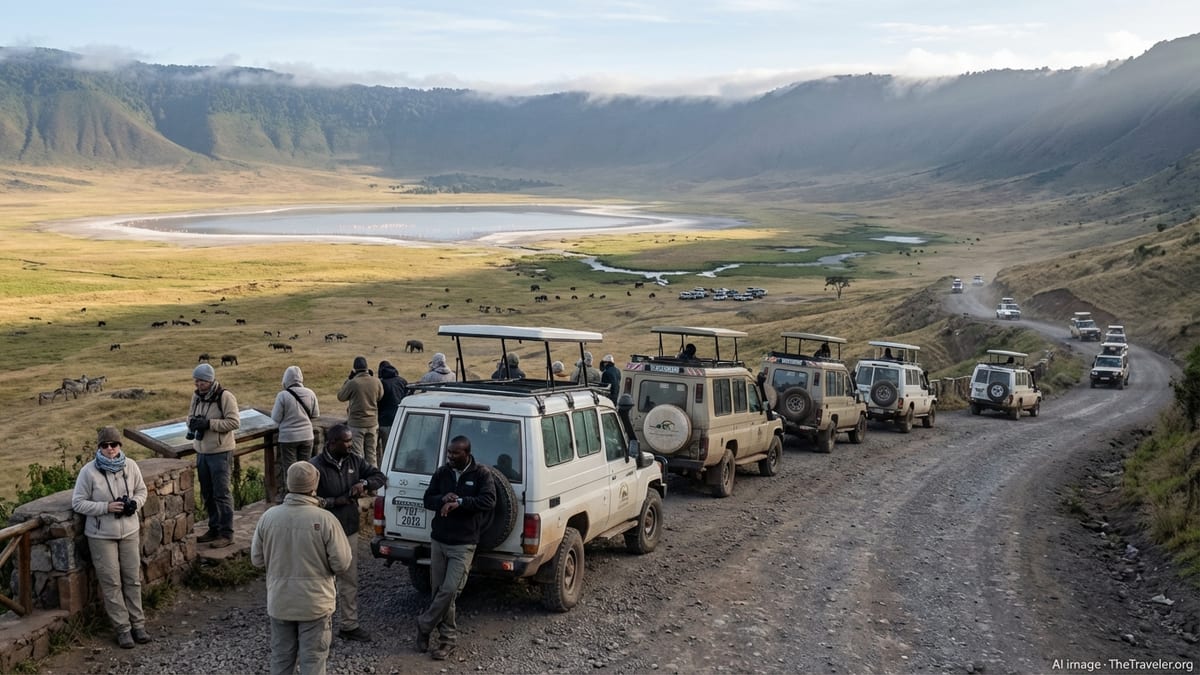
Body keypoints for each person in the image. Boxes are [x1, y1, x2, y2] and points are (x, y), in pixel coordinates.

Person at [252, 462, 352, 675]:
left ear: (289, 484)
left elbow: (257, 560)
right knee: (313, 662)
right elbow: (342, 563)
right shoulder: (326, 520)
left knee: (280, 659)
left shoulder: (268, 518)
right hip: (315, 604)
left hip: (280, 602)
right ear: (314, 485)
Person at [416, 435, 497, 661]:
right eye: (449, 453)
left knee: (450, 590)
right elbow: (427, 500)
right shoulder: (442, 473)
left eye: (455, 453)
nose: (450, 457)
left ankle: (425, 624)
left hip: (464, 543)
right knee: (438, 591)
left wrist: (460, 502)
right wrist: (443, 497)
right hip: (439, 540)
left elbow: (488, 501)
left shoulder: (481, 474)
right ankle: (446, 640)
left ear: (467, 453)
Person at [71, 426, 151, 649]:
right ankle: (123, 629)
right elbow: (77, 502)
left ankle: (139, 624)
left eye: (113, 445)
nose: (109, 449)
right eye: (104, 445)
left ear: (120, 446)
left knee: (133, 579)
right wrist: (105, 507)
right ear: (99, 447)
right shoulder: (88, 472)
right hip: (100, 534)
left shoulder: (131, 465)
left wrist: (134, 503)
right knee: (111, 582)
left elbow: (142, 491)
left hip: (129, 531)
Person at [311, 423, 386, 643]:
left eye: (351, 440)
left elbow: (379, 476)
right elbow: (307, 499)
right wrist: (335, 501)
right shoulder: (314, 467)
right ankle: (320, 629)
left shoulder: (355, 460)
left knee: (349, 578)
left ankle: (349, 625)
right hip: (323, 530)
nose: (351, 444)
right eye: (346, 441)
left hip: (349, 528)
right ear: (332, 443)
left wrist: (363, 484)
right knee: (322, 580)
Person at [189, 362, 240, 549]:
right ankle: (214, 528)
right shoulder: (196, 397)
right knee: (207, 493)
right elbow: (189, 416)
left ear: (210, 381)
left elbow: (234, 422)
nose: (197, 384)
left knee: (222, 493)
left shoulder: (225, 396)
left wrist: (209, 424)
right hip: (202, 451)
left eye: (201, 381)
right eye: (196, 380)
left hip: (220, 452)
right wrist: (193, 423)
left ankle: (227, 533)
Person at [270, 365, 320, 503]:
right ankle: (307, 496)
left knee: (290, 468)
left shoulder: (283, 395)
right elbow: (316, 414)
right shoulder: (310, 393)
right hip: (307, 435)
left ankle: (291, 498)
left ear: (286, 379)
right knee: (306, 467)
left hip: (288, 437)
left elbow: (275, 417)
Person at [336, 356, 384, 467]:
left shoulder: (353, 383)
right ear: (367, 368)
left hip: (357, 424)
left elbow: (341, 397)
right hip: (372, 423)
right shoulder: (376, 381)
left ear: (354, 369)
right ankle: (373, 480)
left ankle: (359, 479)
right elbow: (380, 396)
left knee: (357, 455)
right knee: (371, 455)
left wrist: (348, 380)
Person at [377, 360, 408, 462]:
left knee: (385, 449)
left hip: (384, 420)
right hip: (400, 419)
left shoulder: (381, 383)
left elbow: (378, 402)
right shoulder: (402, 381)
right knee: (399, 448)